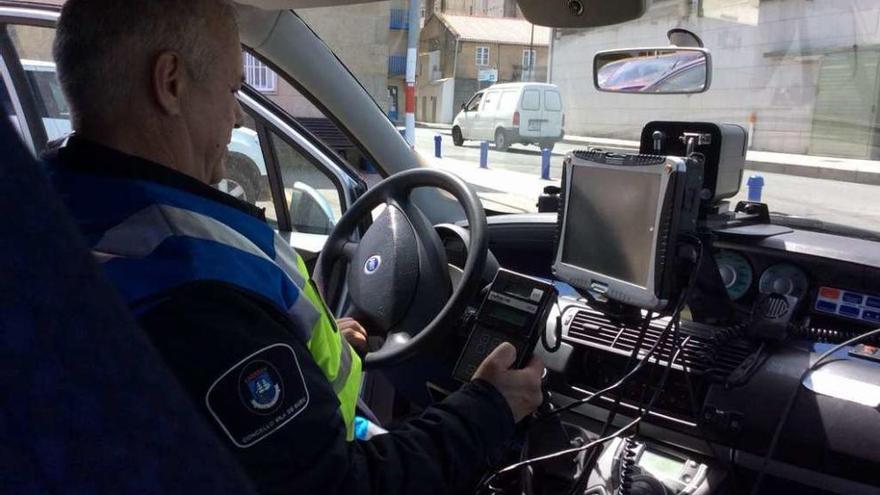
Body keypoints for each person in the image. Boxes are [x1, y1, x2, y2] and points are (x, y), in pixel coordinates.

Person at [45, 1, 544, 494]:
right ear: (171, 83)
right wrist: (489, 407)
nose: (238, 117)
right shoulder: (191, 287)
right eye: (232, 90)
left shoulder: (45, 215)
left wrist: (304, 347)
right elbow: (340, 485)